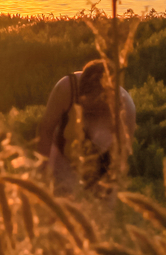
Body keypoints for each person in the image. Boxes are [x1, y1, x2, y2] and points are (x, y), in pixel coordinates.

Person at [36, 59, 136, 192]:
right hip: (62, 156)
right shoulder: (66, 88)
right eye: (86, 106)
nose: (89, 113)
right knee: (61, 197)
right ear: (80, 92)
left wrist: (108, 184)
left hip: (102, 167)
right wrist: (42, 168)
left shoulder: (126, 109)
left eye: (96, 109)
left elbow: (122, 154)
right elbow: (46, 129)